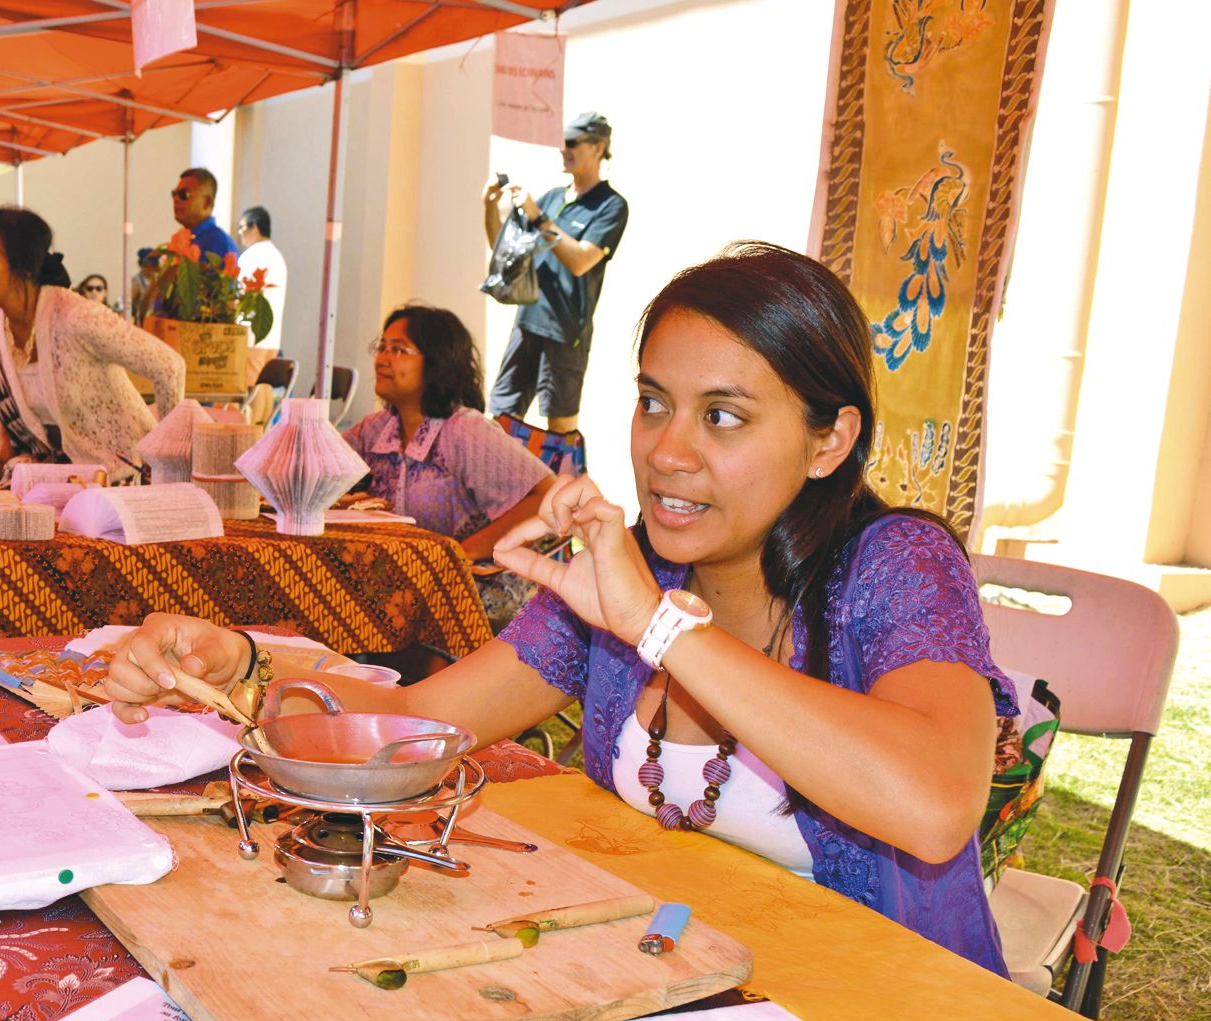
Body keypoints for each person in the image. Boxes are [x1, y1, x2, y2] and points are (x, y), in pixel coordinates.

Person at [106, 243, 1015, 975]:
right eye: (653, 404)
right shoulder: (627, 574)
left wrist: (657, 626)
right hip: (674, 991)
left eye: (723, 417)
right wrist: (245, 663)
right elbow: (421, 720)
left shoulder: (893, 565)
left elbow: (932, 801)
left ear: (830, 440)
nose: (667, 452)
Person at [0, 206, 184, 486]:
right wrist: (1, 455)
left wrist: (168, 465)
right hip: (68, 482)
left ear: (23, 268)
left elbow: (170, 367)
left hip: (128, 480)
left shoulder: (77, 317)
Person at [347, 305, 555, 631]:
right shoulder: (375, 430)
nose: (382, 359)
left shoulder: (464, 430)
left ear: (435, 363)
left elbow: (545, 495)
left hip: (479, 588)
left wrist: (461, 553)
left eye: (399, 350)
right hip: (404, 584)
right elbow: (323, 468)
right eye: (382, 347)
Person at [484, 111, 630, 461]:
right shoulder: (551, 198)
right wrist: (488, 205)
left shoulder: (611, 206)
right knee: (498, 420)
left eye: (572, 142)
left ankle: (565, 504)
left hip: (566, 333)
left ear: (598, 147)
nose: (562, 149)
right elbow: (504, 252)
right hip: (527, 324)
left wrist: (536, 215)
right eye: (560, 142)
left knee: (560, 431)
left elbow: (581, 260)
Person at [235, 206, 287, 351]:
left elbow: (241, 295)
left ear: (255, 226)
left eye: (242, 227)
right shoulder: (278, 257)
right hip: (272, 341)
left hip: (249, 339)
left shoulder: (251, 255)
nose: (240, 232)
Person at [170, 167, 236, 263]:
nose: (176, 199)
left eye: (183, 194)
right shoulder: (182, 238)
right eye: (174, 194)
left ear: (207, 202)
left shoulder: (219, 243)